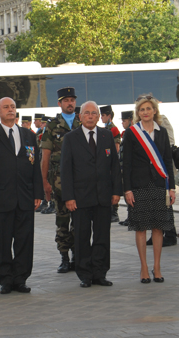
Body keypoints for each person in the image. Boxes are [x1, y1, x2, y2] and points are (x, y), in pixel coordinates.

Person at [0, 97, 43, 294]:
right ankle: (5, 279)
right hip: (1, 198)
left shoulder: (28, 135)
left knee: (24, 241)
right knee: (2, 241)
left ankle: (20, 278)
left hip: (25, 197)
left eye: (13, 107)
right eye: (6, 107)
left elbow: (35, 166)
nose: (10, 110)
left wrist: (38, 192)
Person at [61, 101, 121, 288]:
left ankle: (100, 273)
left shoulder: (106, 135)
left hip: (103, 195)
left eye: (94, 113)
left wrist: (116, 191)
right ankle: (85, 274)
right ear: (80, 116)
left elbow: (114, 165)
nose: (90, 116)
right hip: (80, 197)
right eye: (86, 113)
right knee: (82, 236)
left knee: (102, 236)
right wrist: (69, 197)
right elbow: (66, 169)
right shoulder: (71, 138)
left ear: (98, 116)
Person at [123, 95, 175, 283]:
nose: (145, 112)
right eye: (142, 109)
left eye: (148, 109)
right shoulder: (131, 133)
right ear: (138, 113)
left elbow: (168, 161)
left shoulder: (162, 132)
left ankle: (157, 267)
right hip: (139, 186)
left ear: (154, 111)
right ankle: (144, 267)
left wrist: (172, 187)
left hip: (160, 185)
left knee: (158, 228)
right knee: (141, 227)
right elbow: (126, 163)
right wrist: (127, 189)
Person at [41, 87, 81, 273]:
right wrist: (44, 182)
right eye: (66, 100)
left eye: (72, 100)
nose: (70, 103)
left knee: (79, 221)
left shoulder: (82, 122)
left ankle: (77, 256)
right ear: (59, 103)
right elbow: (45, 155)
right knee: (62, 221)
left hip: (80, 181)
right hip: (59, 182)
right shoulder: (52, 125)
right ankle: (64, 257)